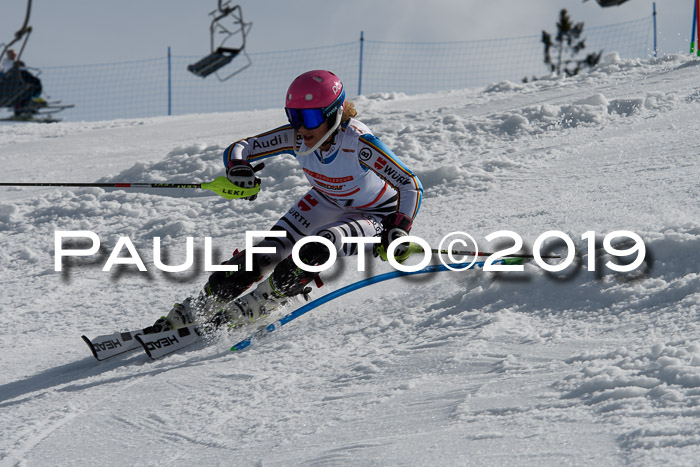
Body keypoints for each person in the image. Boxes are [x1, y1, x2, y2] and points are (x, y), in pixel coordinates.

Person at [150, 70, 423, 333]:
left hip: (374, 214)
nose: (302, 128)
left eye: (312, 117)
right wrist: (238, 167)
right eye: (294, 116)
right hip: (326, 200)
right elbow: (243, 147)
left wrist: (398, 228)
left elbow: (410, 184)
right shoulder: (296, 137)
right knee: (264, 254)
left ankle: (263, 302)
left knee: (318, 246)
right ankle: (197, 309)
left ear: (335, 114)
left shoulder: (360, 143)